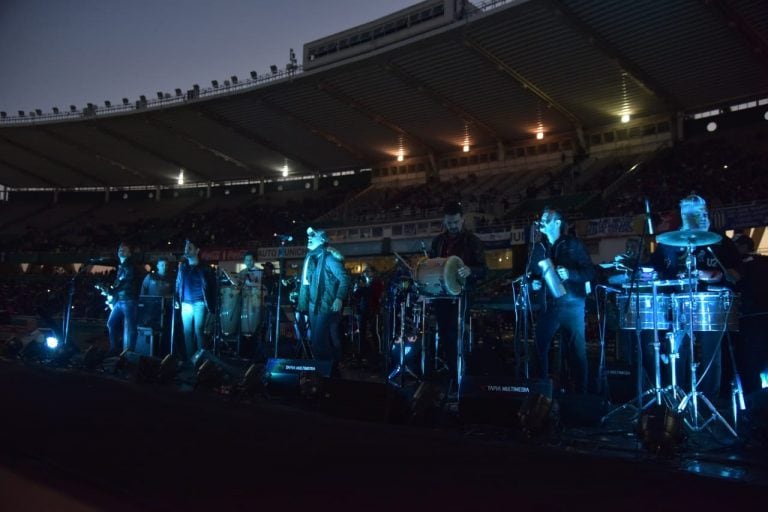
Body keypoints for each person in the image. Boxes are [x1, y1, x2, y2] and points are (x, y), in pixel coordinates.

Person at [650, 193, 741, 399]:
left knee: (711, 355)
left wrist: (717, 275)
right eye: (690, 213)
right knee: (678, 353)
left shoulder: (720, 241)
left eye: (700, 212)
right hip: (680, 304)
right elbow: (654, 269)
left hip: (711, 302)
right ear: (683, 215)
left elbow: (736, 273)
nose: (697, 217)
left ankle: (709, 400)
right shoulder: (670, 242)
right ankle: (678, 397)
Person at [527, 208, 595, 393]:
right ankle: (540, 393)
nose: (541, 223)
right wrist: (533, 283)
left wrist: (571, 274)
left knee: (576, 353)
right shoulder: (538, 248)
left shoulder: (573, 244)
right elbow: (531, 274)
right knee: (539, 348)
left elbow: (590, 271)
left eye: (545, 220)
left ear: (557, 223)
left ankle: (581, 395)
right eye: (540, 220)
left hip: (572, 304)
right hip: (549, 306)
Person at [429, 202, 487, 390]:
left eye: (455, 222)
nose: (452, 225)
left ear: (462, 220)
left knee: (455, 336)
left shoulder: (473, 241)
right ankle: (452, 374)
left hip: (462, 296)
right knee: (445, 336)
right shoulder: (438, 242)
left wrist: (471, 270)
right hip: (441, 296)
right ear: (444, 221)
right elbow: (431, 265)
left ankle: (459, 376)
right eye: (449, 222)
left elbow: (484, 270)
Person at [297, 227, 350, 375]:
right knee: (320, 341)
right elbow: (309, 282)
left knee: (318, 342)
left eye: (313, 236)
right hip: (315, 305)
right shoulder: (313, 257)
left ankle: (328, 370)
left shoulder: (329, 259)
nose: (309, 237)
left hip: (326, 306)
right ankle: (329, 369)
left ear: (322, 240)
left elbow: (345, 278)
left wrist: (339, 297)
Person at [175, 239, 215, 363]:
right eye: (186, 247)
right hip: (185, 303)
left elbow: (212, 286)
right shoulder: (183, 267)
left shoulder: (205, 268)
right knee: (187, 332)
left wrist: (211, 306)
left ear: (197, 250)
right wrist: (177, 298)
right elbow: (178, 284)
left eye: (190, 248)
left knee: (199, 331)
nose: (186, 250)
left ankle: (202, 360)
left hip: (199, 303)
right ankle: (191, 359)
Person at [106, 242, 141, 355]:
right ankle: (116, 349)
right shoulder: (122, 266)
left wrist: (114, 290)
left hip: (129, 300)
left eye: (124, 249)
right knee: (111, 323)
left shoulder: (129, 265)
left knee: (131, 327)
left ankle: (128, 352)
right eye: (120, 249)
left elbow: (128, 281)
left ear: (130, 253)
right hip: (121, 300)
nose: (121, 250)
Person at [351, 264, 385, 369]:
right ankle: (364, 353)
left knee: (374, 332)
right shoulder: (368, 283)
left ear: (374, 272)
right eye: (366, 272)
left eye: (368, 271)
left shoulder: (376, 282)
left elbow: (371, 294)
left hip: (372, 310)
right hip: (364, 310)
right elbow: (356, 295)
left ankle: (376, 353)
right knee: (363, 331)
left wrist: (362, 288)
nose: (367, 273)